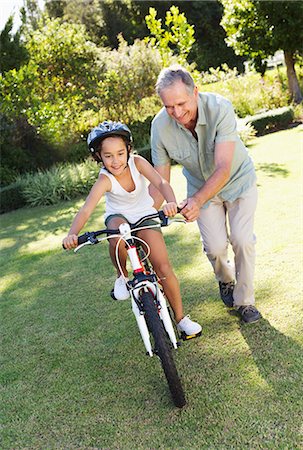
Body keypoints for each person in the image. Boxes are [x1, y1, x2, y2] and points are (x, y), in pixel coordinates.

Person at [63, 120, 202, 336]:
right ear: (98, 156)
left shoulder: (137, 162)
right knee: (118, 234)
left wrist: (171, 202)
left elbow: (161, 183)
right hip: (119, 218)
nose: (115, 161)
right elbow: (86, 210)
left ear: (128, 149)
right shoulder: (104, 179)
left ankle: (181, 319)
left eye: (120, 153)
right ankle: (121, 276)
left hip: (144, 215)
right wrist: (72, 234)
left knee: (163, 267)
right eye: (108, 156)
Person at [150, 65, 261, 323]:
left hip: (237, 182)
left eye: (181, 103)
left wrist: (197, 201)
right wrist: (141, 214)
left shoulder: (220, 107)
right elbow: (159, 179)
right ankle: (226, 281)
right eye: (169, 107)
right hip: (201, 189)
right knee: (214, 247)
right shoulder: (159, 127)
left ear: (195, 92)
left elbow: (223, 168)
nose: (176, 113)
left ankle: (245, 303)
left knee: (243, 240)